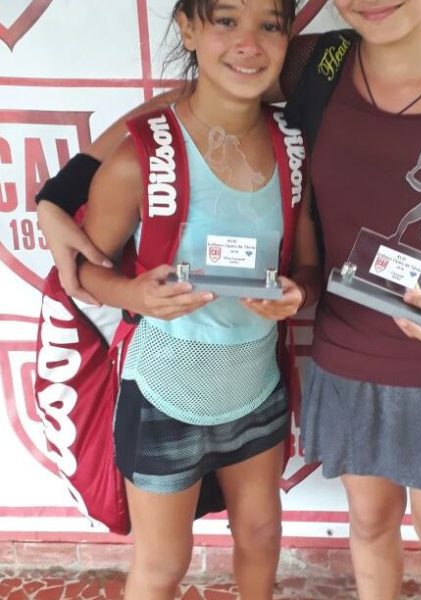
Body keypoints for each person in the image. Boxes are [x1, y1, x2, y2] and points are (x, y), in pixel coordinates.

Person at [36, 1, 421, 599]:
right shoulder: (316, 64)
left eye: (264, 25)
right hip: (345, 362)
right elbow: (199, 96)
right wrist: (61, 192)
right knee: (368, 525)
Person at [39, 1, 320, 599]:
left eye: (270, 25)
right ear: (189, 29)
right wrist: (133, 294)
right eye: (226, 20)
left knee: (262, 536)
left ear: (288, 36)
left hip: (256, 390)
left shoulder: (293, 149)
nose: (249, 42)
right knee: (164, 563)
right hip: (163, 395)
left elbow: (308, 265)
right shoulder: (140, 157)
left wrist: (299, 291)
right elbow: (82, 272)